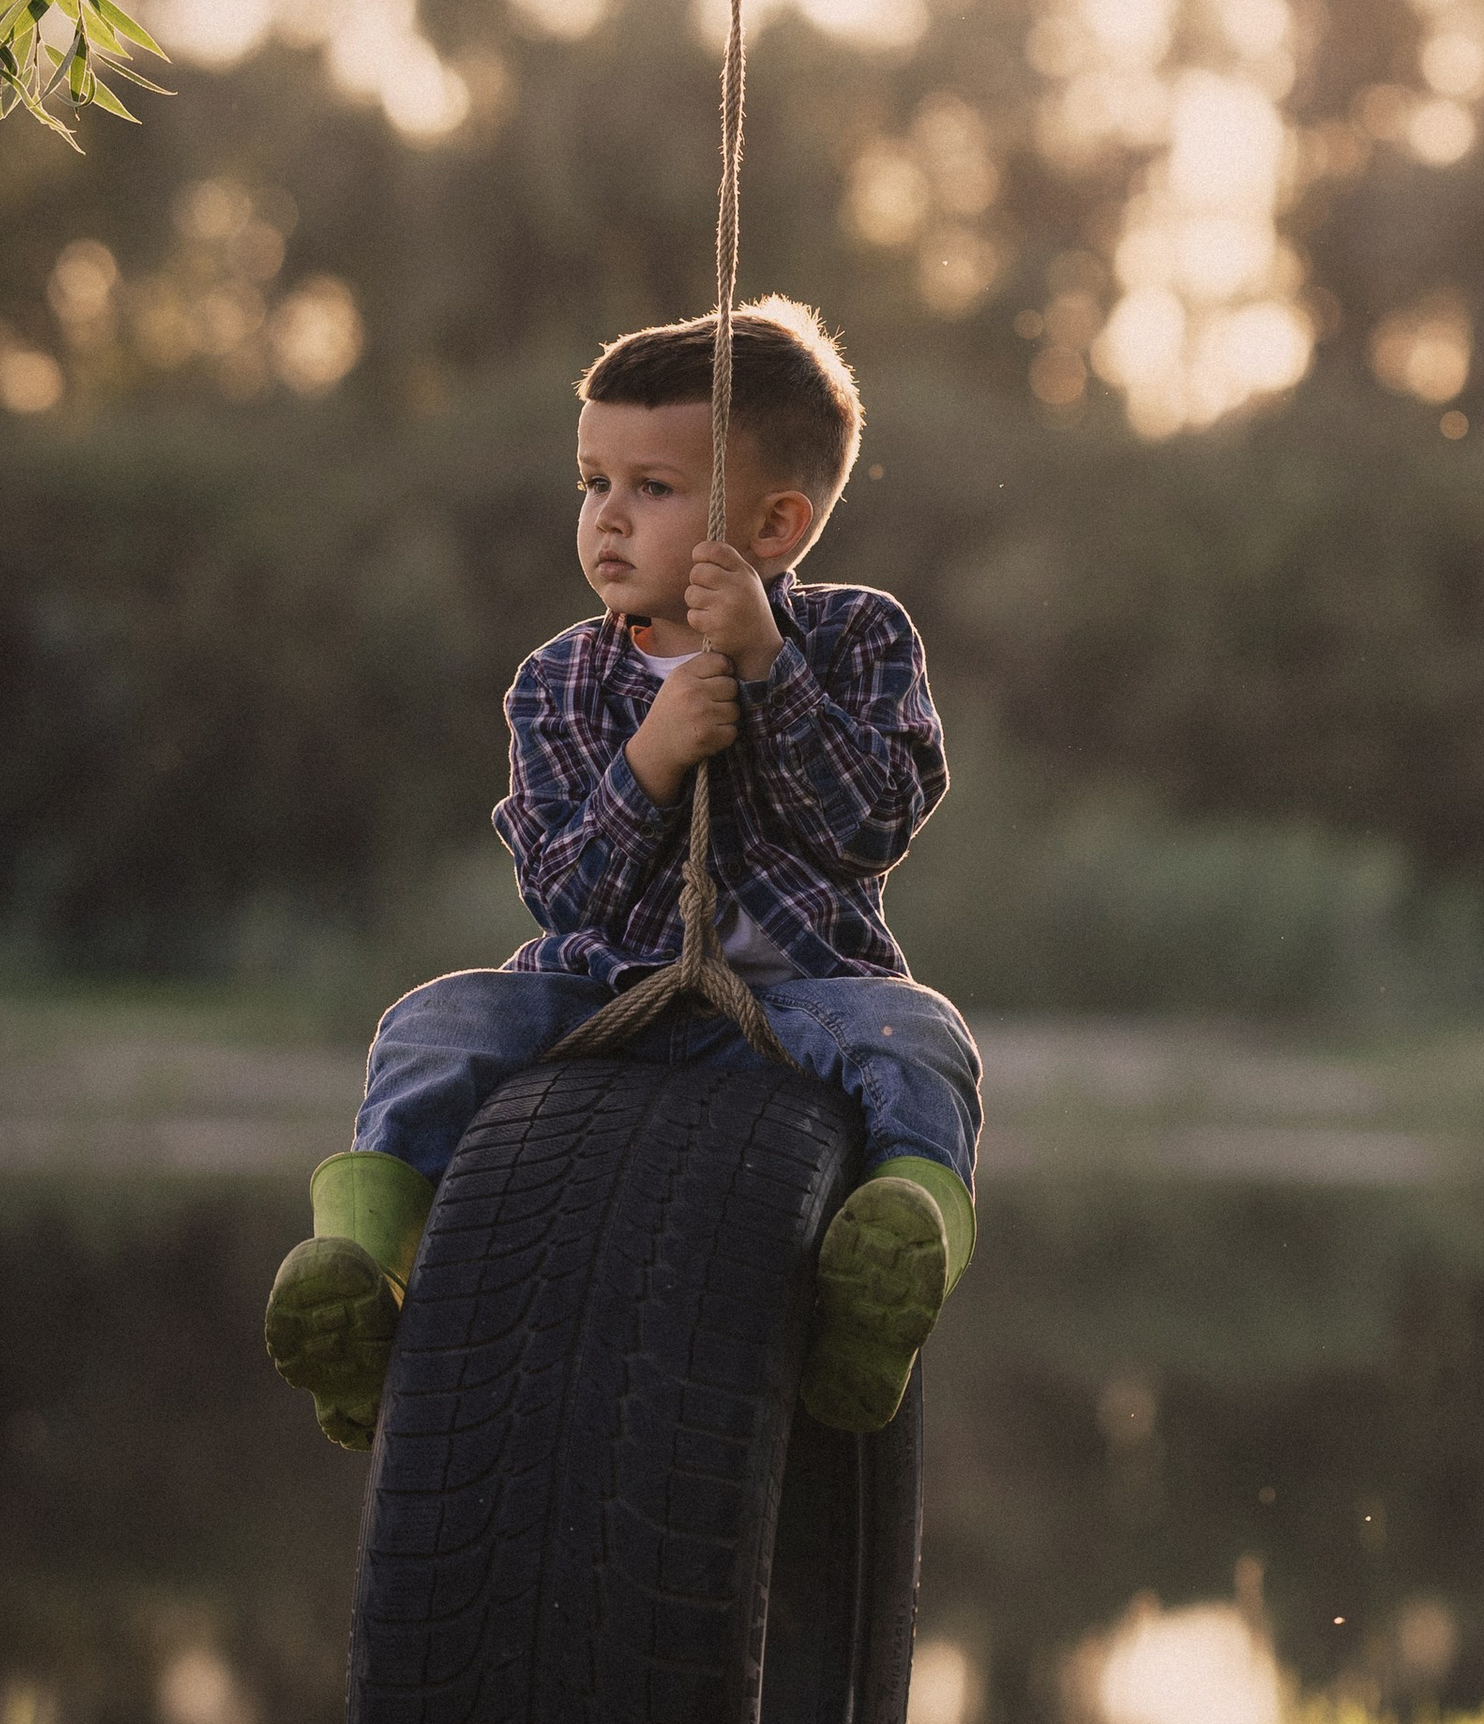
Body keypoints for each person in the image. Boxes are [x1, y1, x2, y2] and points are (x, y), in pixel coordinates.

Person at [264, 296, 976, 1452]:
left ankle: (879, 1289)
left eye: (653, 487)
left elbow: (874, 824)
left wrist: (769, 671)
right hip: (598, 993)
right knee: (433, 1022)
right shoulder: (557, 681)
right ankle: (365, 1279)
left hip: (800, 1001)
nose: (607, 516)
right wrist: (649, 760)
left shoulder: (859, 639)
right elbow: (562, 892)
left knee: (923, 1039)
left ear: (776, 522)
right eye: (593, 481)